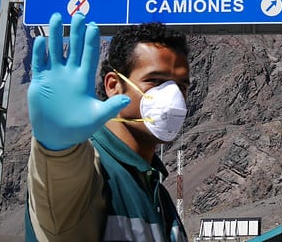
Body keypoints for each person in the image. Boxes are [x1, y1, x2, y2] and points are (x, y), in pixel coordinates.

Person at [26, 12, 190, 241]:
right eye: (156, 81)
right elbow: (62, 183)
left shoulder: (156, 191)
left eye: (181, 86)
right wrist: (58, 146)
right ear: (113, 85)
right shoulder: (93, 169)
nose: (173, 97)